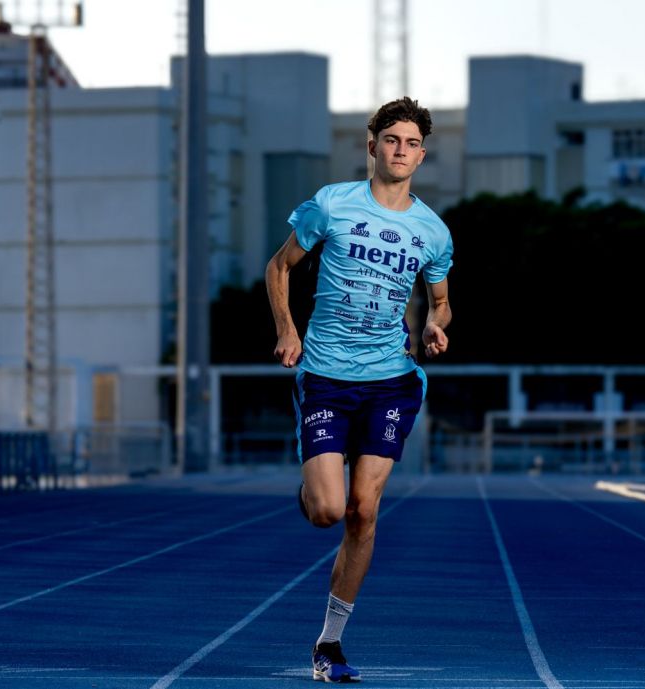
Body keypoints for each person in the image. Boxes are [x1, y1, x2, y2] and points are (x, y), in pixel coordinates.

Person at [265, 96, 453, 683]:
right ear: (371, 146)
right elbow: (279, 267)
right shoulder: (332, 205)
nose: (400, 151)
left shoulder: (432, 231)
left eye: (411, 143)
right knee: (326, 511)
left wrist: (433, 325)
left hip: (391, 383)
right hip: (325, 374)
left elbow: (442, 301)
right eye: (390, 140)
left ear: (423, 155)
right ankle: (311, 490)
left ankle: (330, 645)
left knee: (363, 512)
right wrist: (287, 329)